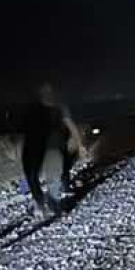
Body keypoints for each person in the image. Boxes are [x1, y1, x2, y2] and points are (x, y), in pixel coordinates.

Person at [20, 82, 82, 216]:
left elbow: (69, 124)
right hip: (33, 144)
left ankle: (55, 204)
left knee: (53, 175)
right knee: (31, 176)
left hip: (52, 144)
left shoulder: (59, 107)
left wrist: (79, 144)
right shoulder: (32, 108)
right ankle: (42, 204)